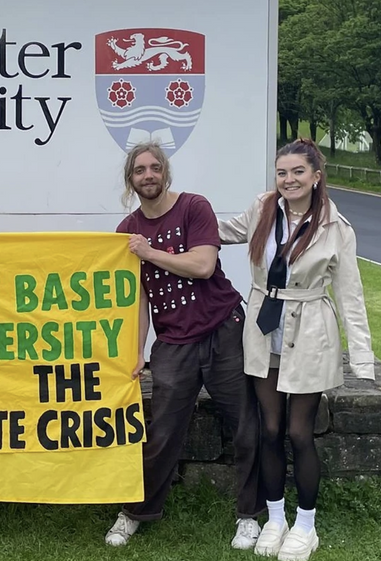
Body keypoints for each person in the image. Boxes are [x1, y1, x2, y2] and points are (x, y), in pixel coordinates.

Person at [219, 138, 375, 561]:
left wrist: (362, 357)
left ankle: (306, 524)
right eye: (282, 172)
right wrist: (171, 225)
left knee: (298, 432)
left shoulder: (335, 228)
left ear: (316, 177)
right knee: (269, 429)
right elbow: (220, 232)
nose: (288, 180)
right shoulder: (262, 210)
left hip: (309, 330)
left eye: (298, 172)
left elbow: (351, 295)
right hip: (264, 328)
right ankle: (275, 517)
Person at [104, 142, 264, 550]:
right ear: (130, 180)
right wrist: (137, 350)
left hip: (223, 329)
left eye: (155, 167)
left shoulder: (194, 207)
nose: (148, 175)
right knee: (161, 432)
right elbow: (138, 297)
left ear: (165, 172)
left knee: (245, 424)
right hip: (173, 342)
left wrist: (149, 251)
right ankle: (135, 512)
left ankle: (249, 515)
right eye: (139, 170)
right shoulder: (127, 231)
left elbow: (202, 264)